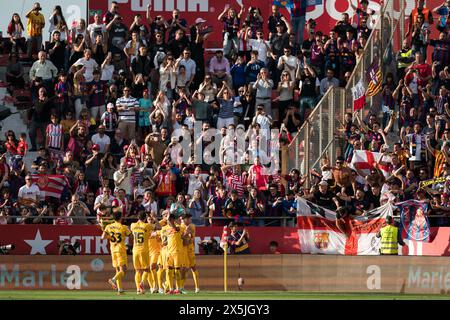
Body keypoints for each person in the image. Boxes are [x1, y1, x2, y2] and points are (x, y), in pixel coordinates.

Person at [102, 209, 132, 294]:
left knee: (117, 270)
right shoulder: (123, 227)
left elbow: (103, 237)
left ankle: (120, 290)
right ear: (121, 218)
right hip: (120, 249)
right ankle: (113, 279)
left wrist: (109, 235)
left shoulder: (108, 227)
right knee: (124, 270)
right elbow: (131, 236)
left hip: (113, 250)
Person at [130, 211, 153, 294]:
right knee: (146, 270)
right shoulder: (147, 225)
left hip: (135, 250)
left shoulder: (132, 225)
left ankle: (138, 290)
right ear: (145, 218)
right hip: (143, 250)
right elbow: (158, 227)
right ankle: (142, 283)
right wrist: (152, 217)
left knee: (138, 271)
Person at [180, 213, 200, 293]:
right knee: (184, 269)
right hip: (182, 250)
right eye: (188, 219)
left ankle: (197, 287)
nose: (190, 220)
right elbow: (182, 241)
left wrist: (189, 236)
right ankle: (180, 287)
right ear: (183, 219)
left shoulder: (192, 226)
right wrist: (186, 234)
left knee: (193, 267)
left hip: (190, 250)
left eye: (190, 218)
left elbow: (192, 239)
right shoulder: (180, 227)